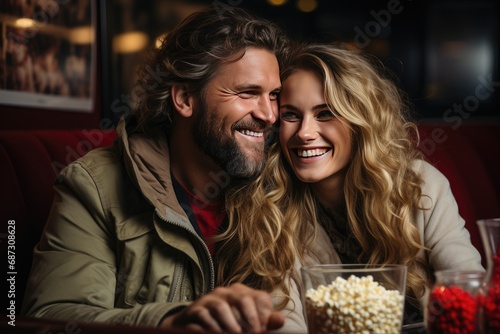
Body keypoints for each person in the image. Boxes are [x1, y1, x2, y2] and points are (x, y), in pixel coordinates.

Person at [21, 6, 298, 333]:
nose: (268, 114)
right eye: (248, 93)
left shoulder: (280, 180)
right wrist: (170, 321)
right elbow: (51, 316)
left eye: (274, 95)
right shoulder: (94, 185)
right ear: (184, 99)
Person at [220, 42, 484, 327]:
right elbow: (282, 322)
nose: (305, 133)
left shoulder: (418, 185)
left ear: (361, 122)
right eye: (291, 115)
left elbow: (467, 290)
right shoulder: (268, 207)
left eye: (325, 113)